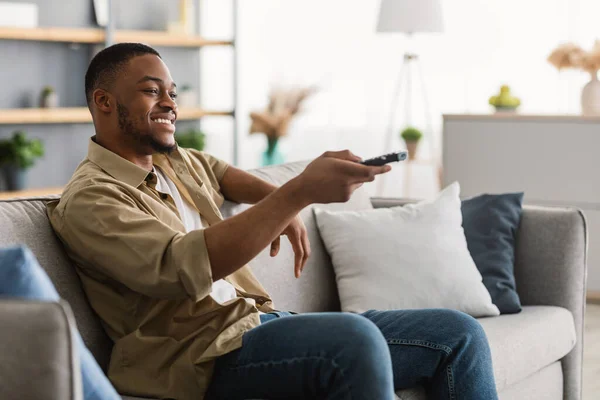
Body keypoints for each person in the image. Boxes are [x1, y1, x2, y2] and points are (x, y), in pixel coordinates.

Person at [47, 43, 498, 400]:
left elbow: (224, 176)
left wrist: (286, 202)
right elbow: (181, 266)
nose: (170, 103)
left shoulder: (172, 162)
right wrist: (295, 195)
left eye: (173, 92)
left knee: (457, 333)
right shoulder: (92, 199)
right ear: (104, 102)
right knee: (352, 338)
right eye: (152, 91)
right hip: (198, 358)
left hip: (256, 323)